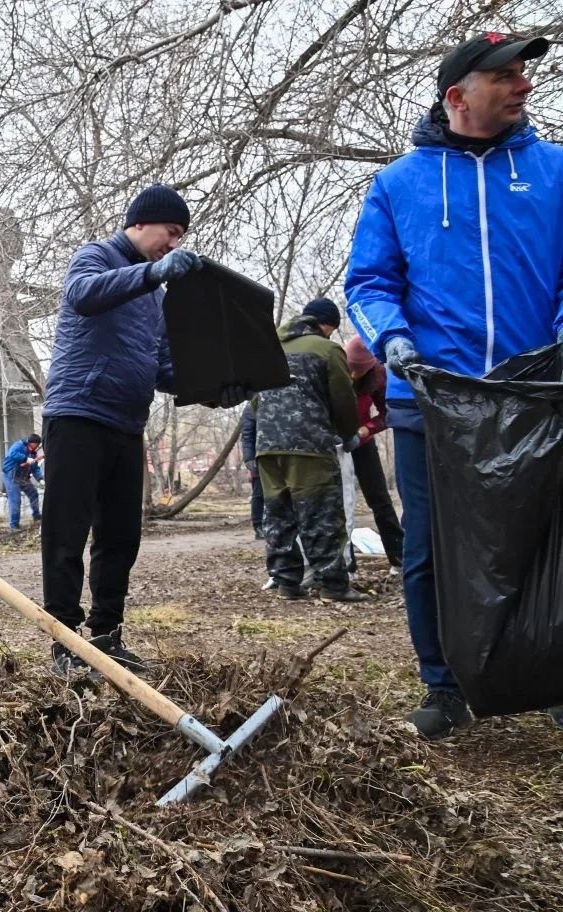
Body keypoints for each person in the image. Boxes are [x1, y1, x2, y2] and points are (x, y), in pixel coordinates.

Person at [345, 32, 563, 738]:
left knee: (543, 539)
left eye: (524, 74)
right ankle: (444, 686)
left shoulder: (555, 172)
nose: (524, 85)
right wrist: (392, 339)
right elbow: (371, 283)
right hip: (429, 402)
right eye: (506, 76)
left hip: (536, 400)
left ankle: (553, 675)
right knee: (429, 550)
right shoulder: (399, 184)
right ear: (458, 94)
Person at [41, 183, 247, 675]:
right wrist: (153, 272)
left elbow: (163, 367)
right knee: (66, 535)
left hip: (125, 424)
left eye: (180, 238)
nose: (173, 244)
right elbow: (82, 295)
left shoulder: (153, 299)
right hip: (77, 415)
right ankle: (65, 645)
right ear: (140, 223)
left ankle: (107, 636)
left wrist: (215, 389)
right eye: (169, 233)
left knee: (120, 537)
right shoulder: (96, 258)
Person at [252, 298, 369, 603]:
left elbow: (254, 399)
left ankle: (287, 583)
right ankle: (333, 585)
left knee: (279, 515)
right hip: (309, 446)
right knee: (321, 515)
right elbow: (343, 399)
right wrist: (348, 434)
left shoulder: (268, 345)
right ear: (327, 324)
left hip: (267, 447)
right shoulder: (327, 349)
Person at [344, 335, 404, 568]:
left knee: (380, 500)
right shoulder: (334, 367)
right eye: (350, 368)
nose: (353, 375)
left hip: (362, 442)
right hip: (336, 443)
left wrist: (364, 430)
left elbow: (388, 414)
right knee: (339, 504)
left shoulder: (379, 376)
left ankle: (399, 558)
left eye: (358, 370)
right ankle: (345, 565)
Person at [2, 433, 44, 531]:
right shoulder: (19, 445)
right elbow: (12, 454)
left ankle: (36, 516)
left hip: (23, 477)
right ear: (32, 443)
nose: (37, 447)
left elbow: (35, 468)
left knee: (33, 494)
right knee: (16, 500)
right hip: (11, 476)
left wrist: (40, 479)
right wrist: (25, 458)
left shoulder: (33, 453)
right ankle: (14, 525)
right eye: (37, 445)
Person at [239, 407, 264, 539]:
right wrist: (249, 459)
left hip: (275, 454)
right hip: (259, 457)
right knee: (259, 494)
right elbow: (247, 435)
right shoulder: (251, 407)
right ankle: (259, 527)